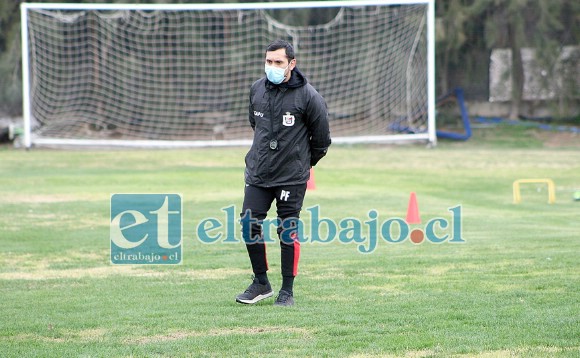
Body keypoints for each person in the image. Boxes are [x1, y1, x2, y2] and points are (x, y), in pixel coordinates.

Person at [235, 39, 331, 307]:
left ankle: (286, 291)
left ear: (292, 64)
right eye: (269, 61)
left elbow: (322, 140)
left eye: (278, 62)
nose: (273, 67)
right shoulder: (256, 89)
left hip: (292, 176)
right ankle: (260, 283)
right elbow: (256, 126)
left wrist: (301, 163)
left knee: (287, 230)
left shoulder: (309, 96)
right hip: (258, 172)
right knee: (248, 223)